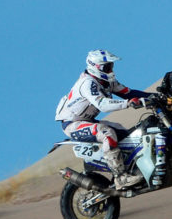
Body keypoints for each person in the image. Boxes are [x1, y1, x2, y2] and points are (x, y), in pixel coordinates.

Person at [55, 50, 154, 189]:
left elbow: (128, 93)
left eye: (111, 66)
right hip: (72, 124)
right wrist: (128, 103)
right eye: (107, 67)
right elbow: (102, 104)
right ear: (96, 67)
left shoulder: (107, 81)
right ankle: (121, 177)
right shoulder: (87, 83)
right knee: (107, 133)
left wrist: (155, 96)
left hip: (87, 121)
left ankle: (132, 168)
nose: (111, 69)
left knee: (124, 132)